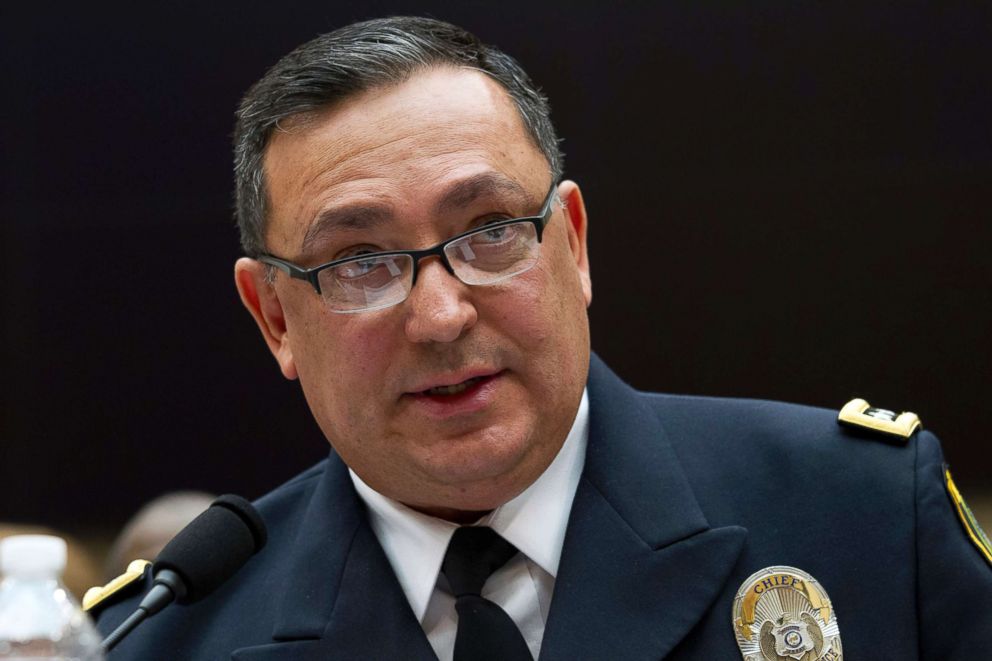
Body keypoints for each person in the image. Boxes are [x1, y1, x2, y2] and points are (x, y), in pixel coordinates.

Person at [91, 16, 991, 659]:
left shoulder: (861, 515)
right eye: (360, 260)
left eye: (489, 231)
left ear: (574, 244)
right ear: (276, 319)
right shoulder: (169, 636)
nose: (441, 316)